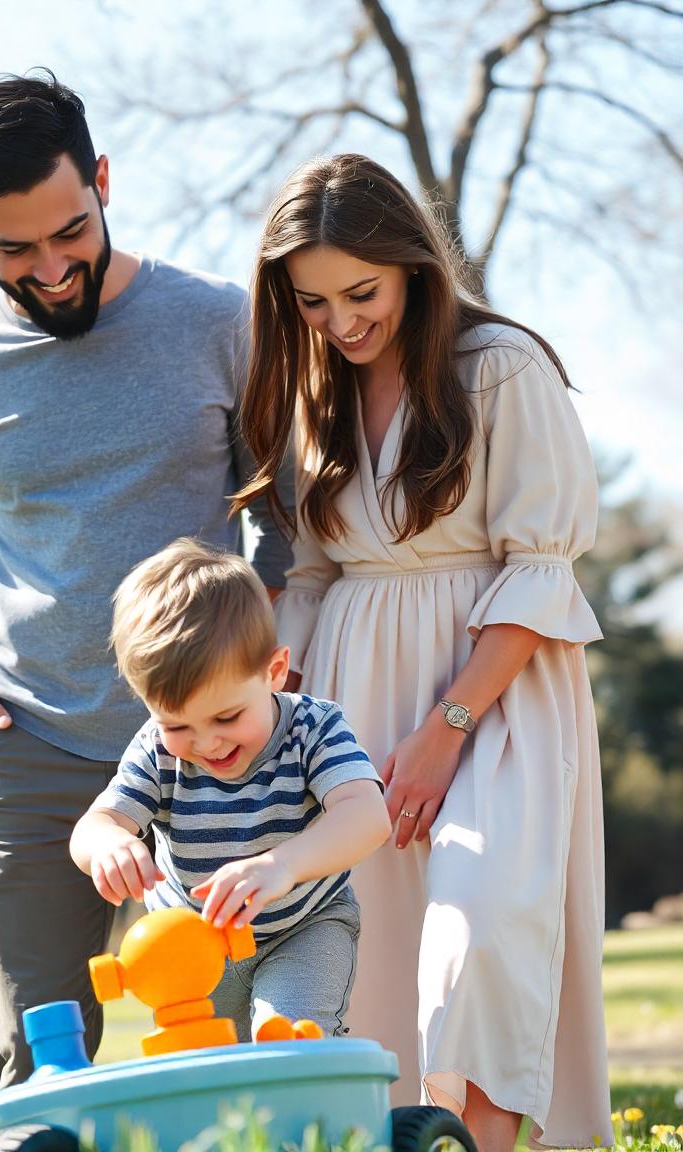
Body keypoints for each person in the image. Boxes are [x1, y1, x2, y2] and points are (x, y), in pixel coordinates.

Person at [0, 70, 292, 1100]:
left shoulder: (218, 323)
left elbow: (285, 515)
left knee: (225, 1059)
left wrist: (261, 668)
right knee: (38, 1072)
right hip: (31, 744)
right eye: (14, 248)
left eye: (70, 231)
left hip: (211, 751)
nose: (52, 267)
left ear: (103, 181)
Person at [230, 154, 613, 1151]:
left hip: (493, 685)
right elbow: (309, 577)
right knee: (377, 957)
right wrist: (284, 716)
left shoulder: (499, 367)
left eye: (360, 292)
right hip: (353, 689)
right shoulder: (313, 391)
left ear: (410, 265)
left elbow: (540, 568)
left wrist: (446, 726)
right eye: (311, 303)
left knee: (479, 931)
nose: (341, 322)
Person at [70, 538, 391, 1040]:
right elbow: (95, 825)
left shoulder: (314, 728)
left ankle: (309, 1111)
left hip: (302, 929)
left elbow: (367, 815)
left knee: (288, 1039)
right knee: (202, 1063)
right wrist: (108, 845)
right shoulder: (156, 749)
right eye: (178, 725)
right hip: (194, 950)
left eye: (227, 716)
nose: (206, 742)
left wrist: (280, 865)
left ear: (274, 672)